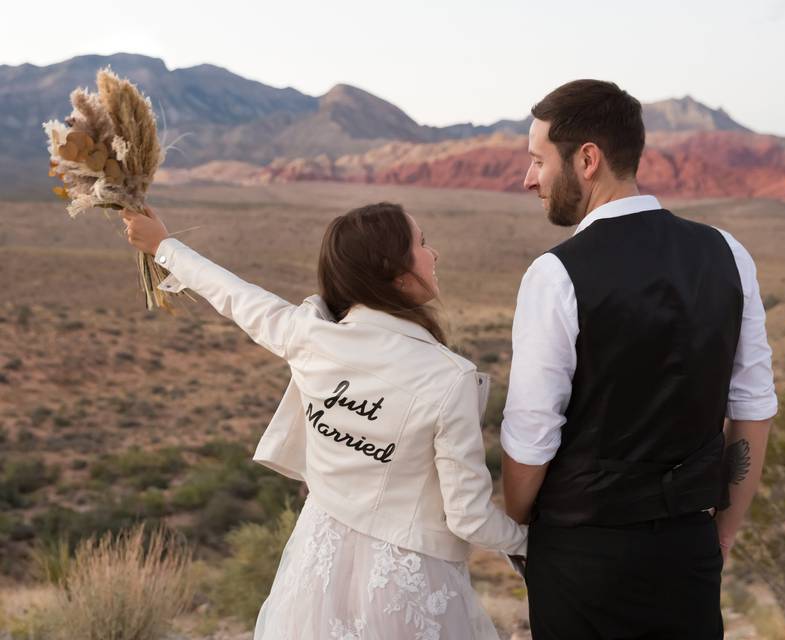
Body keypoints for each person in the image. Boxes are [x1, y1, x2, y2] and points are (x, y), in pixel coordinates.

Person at [122, 202, 526, 640]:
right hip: (408, 584)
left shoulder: (310, 336)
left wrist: (164, 245)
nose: (434, 254)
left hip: (316, 564)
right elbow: (468, 517)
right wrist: (529, 543)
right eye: (423, 244)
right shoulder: (449, 379)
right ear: (396, 273)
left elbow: (237, 297)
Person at [499, 80, 778, 639]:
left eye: (537, 160)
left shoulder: (555, 274)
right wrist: (721, 536)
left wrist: (519, 527)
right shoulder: (728, 253)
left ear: (587, 159)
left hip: (582, 560)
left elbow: (532, 438)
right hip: (688, 554)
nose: (529, 178)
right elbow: (752, 408)